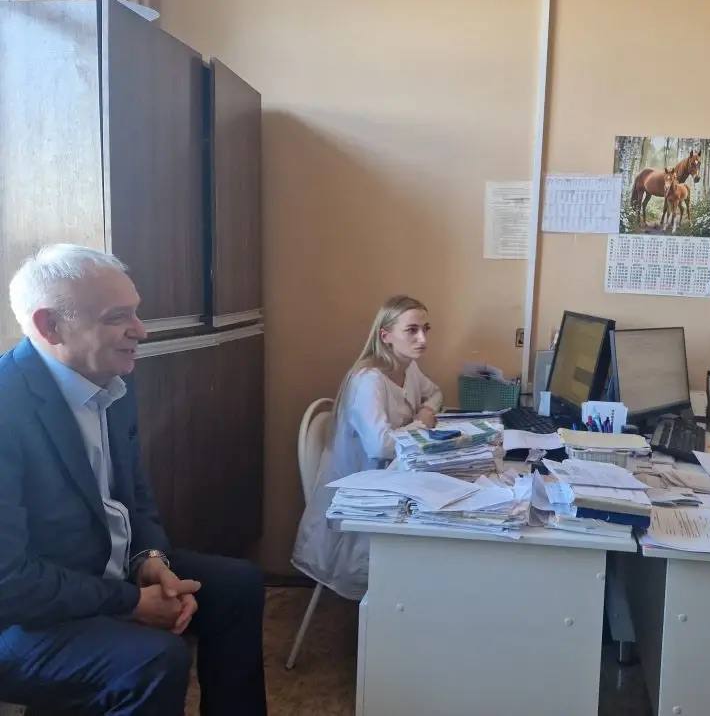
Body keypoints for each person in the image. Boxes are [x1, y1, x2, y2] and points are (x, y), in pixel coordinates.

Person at [0, 245, 267, 715]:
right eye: (117, 317)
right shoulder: (7, 406)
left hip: (102, 573)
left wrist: (152, 561)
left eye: (136, 312)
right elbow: (10, 582)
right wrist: (131, 602)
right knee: (153, 659)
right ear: (50, 326)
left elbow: (134, 499)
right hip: (22, 618)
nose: (140, 331)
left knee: (238, 585)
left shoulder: (112, 382)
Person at [293, 295, 442, 601]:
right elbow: (381, 446)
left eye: (425, 329)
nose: (422, 339)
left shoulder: (408, 368)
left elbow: (435, 393)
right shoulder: (368, 380)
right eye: (411, 330)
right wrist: (422, 423)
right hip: (362, 493)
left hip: (392, 479)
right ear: (386, 336)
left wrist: (426, 410)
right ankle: (405, 608)